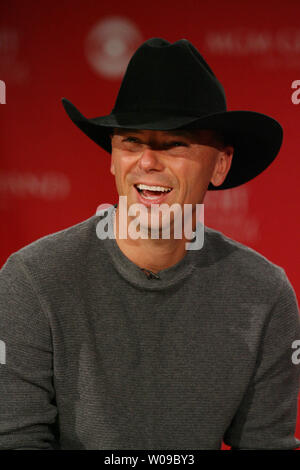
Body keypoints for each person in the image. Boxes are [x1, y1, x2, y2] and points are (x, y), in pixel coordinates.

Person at [0, 37, 299, 450]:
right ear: (112, 157)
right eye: (131, 142)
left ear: (221, 165)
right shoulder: (32, 281)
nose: (147, 162)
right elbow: (16, 441)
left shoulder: (265, 296)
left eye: (175, 144)